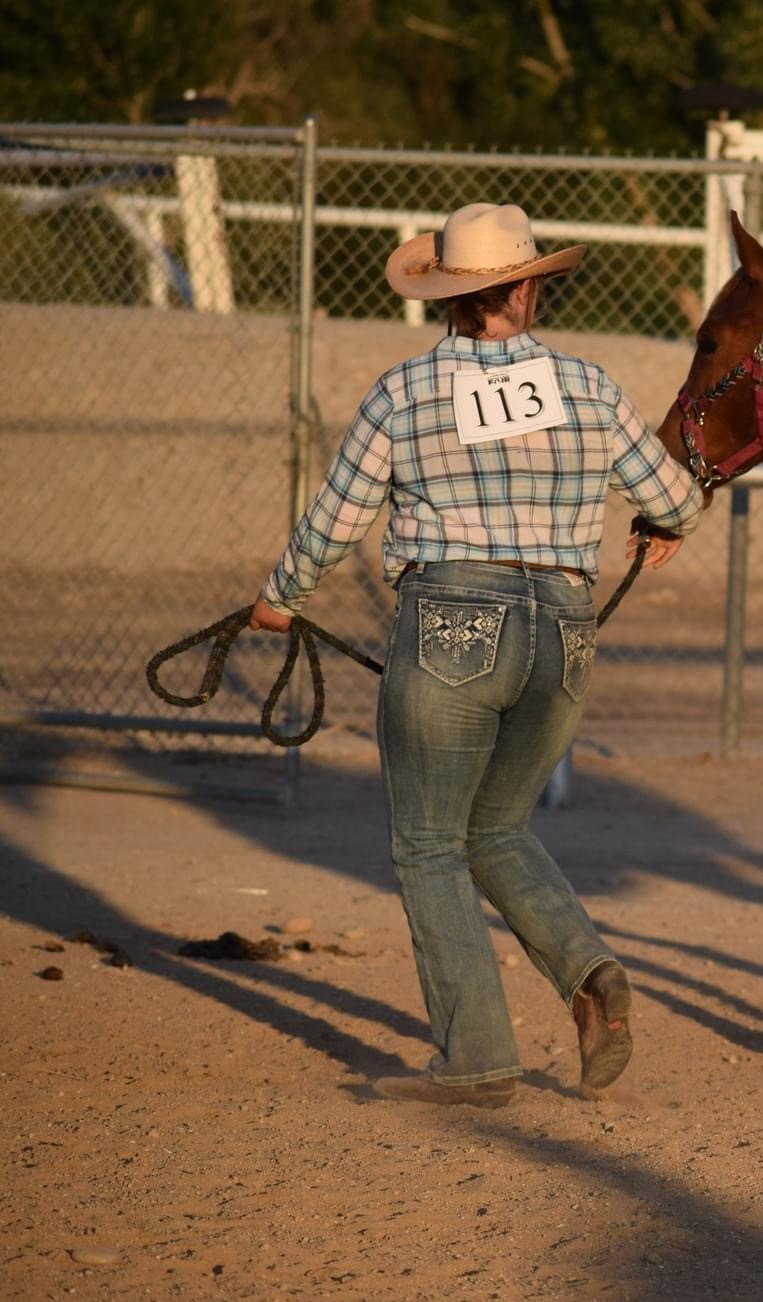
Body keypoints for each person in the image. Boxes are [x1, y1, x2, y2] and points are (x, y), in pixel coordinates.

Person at [251, 203, 703, 1108]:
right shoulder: (589, 385)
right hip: (564, 631)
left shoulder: (403, 392)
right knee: (495, 827)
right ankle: (587, 972)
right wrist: (663, 525)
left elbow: (337, 519)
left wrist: (281, 596)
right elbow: (678, 500)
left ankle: (477, 1058)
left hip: (452, 619)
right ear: (527, 290)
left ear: (448, 297)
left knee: (427, 842)